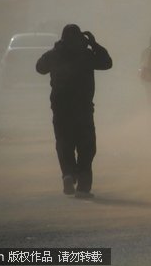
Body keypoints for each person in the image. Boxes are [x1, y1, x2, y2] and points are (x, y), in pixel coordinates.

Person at [36, 24, 112, 198]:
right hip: (83, 109)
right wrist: (94, 44)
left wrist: (56, 49)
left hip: (61, 109)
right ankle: (83, 186)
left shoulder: (55, 55)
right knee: (86, 146)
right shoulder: (86, 55)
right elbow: (107, 63)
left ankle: (68, 174)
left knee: (64, 144)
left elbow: (39, 67)